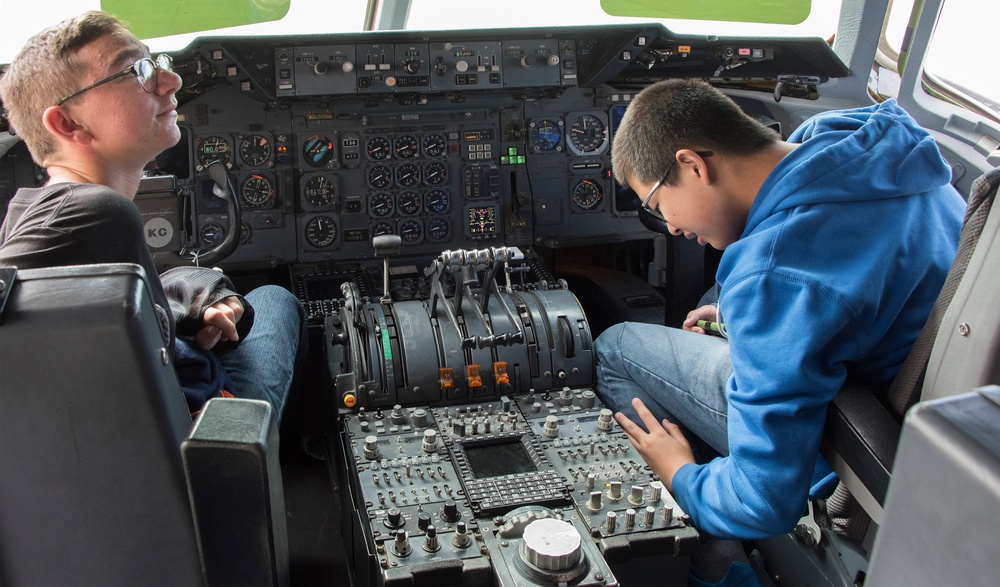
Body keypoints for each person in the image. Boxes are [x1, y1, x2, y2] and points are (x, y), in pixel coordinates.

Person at [596, 79, 965, 543]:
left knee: (615, 345)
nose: (668, 226)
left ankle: (720, 559)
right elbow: (843, 284)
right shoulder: (863, 141)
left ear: (691, 165)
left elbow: (761, 504)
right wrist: (744, 321)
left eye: (656, 204)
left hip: (847, 445)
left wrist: (678, 473)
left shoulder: (771, 279)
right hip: (936, 420)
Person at [0, 11, 305, 421]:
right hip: (199, 431)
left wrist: (192, 292)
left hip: (175, 393)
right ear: (66, 122)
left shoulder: (32, 208)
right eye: (135, 70)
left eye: (156, 61)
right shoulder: (91, 212)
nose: (171, 80)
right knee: (277, 297)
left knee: (261, 299)